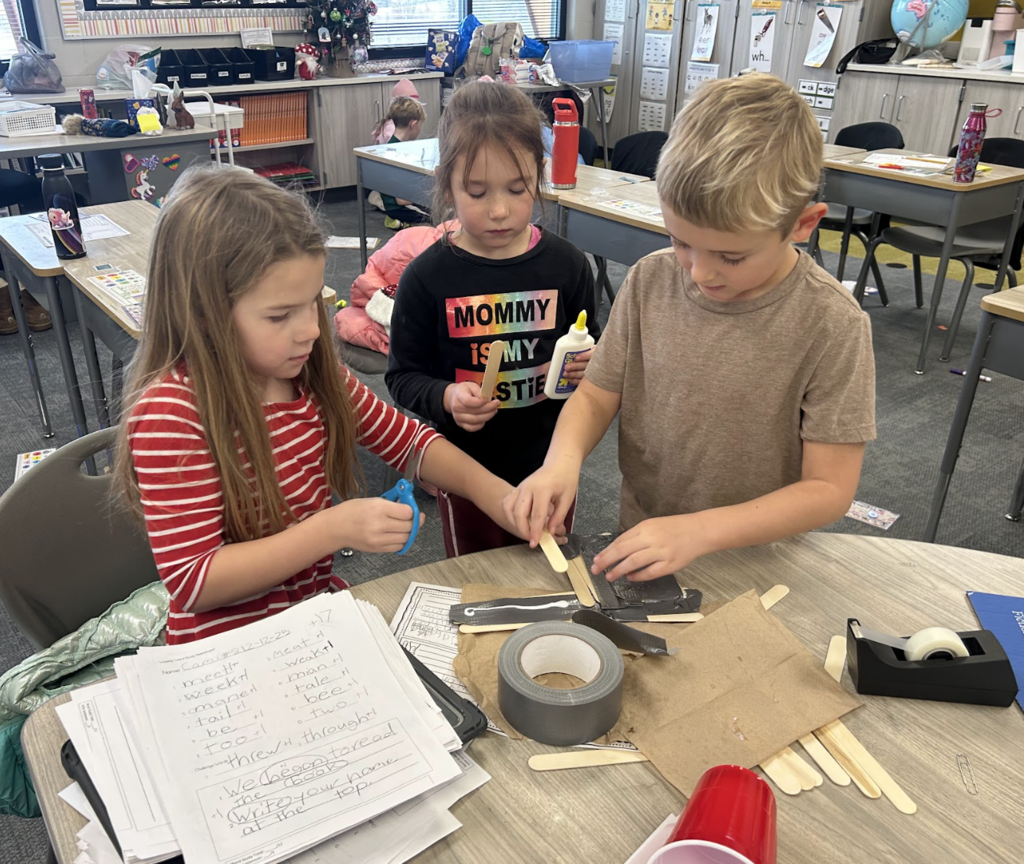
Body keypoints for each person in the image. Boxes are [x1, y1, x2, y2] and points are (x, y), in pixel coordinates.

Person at [114, 164, 518, 644]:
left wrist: (502, 498)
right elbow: (194, 581)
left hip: (311, 624)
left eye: (313, 304)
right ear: (202, 314)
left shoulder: (313, 376)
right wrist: (333, 529)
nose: (309, 329)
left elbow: (410, 443)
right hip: (226, 653)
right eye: (280, 315)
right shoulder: (172, 413)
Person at [505, 73, 876, 582]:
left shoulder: (832, 324)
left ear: (803, 224)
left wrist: (699, 531)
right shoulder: (650, 280)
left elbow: (830, 489)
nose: (700, 273)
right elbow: (595, 395)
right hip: (647, 537)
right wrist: (561, 461)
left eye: (731, 255)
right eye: (681, 242)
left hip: (759, 560)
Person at [385, 80, 598, 557]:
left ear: (538, 176)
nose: (499, 210)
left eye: (518, 189)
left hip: (550, 461)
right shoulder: (427, 276)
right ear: (446, 182)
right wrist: (445, 396)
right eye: (477, 192)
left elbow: (592, 350)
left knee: (551, 568)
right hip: (468, 467)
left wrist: (589, 363)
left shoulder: (565, 265)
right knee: (477, 580)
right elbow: (402, 377)